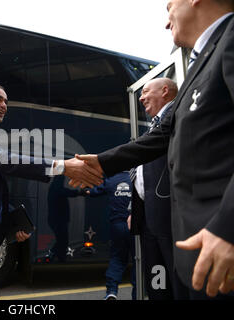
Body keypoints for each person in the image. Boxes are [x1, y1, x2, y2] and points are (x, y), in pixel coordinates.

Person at [71, 0, 234, 299]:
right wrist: (101, 162)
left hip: (221, 250)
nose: (167, 22)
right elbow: (159, 138)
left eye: (168, 6)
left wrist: (228, 227)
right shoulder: (200, 64)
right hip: (196, 251)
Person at [0, 84, 101, 300]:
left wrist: (11, 224)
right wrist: (62, 166)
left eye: (5, 101)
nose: (3, 105)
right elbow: (4, 160)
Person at [129, 78, 179, 300]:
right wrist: (135, 209)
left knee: (175, 277)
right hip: (149, 217)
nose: (140, 97)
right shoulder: (153, 127)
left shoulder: (177, 118)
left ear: (165, 91)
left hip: (169, 219)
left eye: (146, 91)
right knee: (157, 279)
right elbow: (143, 175)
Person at [86, 172, 136, 300]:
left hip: (117, 226)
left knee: (117, 258)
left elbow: (92, 192)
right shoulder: (136, 177)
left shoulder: (112, 179)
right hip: (135, 226)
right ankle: (137, 293)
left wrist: (84, 190)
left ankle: (111, 291)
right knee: (138, 260)